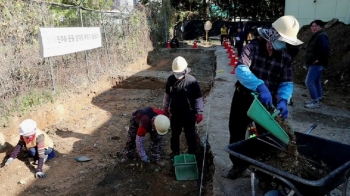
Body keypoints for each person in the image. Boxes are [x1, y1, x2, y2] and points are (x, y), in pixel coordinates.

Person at [227, 15, 303, 179]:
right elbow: (241, 70)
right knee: (237, 133)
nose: (284, 45)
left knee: (267, 136)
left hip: (267, 103)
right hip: (244, 99)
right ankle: (238, 165)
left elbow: (286, 82)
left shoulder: (285, 57)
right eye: (283, 40)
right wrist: (260, 85)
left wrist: (283, 99)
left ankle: (264, 170)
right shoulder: (252, 48)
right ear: (272, 35)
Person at [163, 56, 204, 159]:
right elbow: (167, 94)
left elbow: (198, 97)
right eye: (176, 73)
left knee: (190, 134)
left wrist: (199, 112)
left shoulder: (192, 81)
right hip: (175, 112)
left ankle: (192, 153)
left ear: (185, 70)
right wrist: (165, 108)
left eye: (180, 73)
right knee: (175, 134)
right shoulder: (170, 80)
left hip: (188, 113)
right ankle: (175, 152)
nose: (178, 76)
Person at [304, 20, 330, 108]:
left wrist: (318, 59)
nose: (313, 28)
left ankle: (315, 101)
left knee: (309, 82)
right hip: (316, 63)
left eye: (316, 26)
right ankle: (318, 98)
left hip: (317, 64)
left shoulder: (321, 36)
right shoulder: (318, 35)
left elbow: (325, 48)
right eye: (312, 26)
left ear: (321, 27)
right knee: (316, 81)